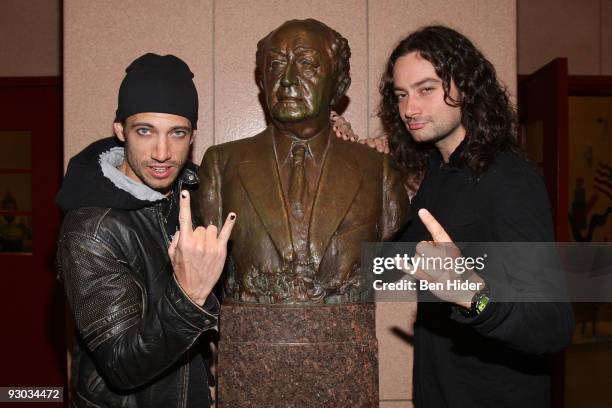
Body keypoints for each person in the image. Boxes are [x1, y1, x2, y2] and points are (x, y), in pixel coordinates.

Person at [341, 25, 575, 406]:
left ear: (465, 87)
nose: (409, 109)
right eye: (401, 95)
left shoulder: (507, 178)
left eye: (426, 89)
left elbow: (553, 325)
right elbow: (382, 266)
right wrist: (362, 170)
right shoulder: (440, 173)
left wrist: (474, 295)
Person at [56, 53, 235, 407]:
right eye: (145, 131)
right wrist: (190, 296)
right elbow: (122, 365)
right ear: (120, 130)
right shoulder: (90, 230)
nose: (162, 152)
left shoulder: (197, 195)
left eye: (177, 133)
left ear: (193, 136)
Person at [198, 19, 409, 304]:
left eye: (307, 64)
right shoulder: (221, 165)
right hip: (250, 340)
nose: (287, 79)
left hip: (344, 341)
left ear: (338, 83)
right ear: (263, 82)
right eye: (275, 65)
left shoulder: (377, 170)